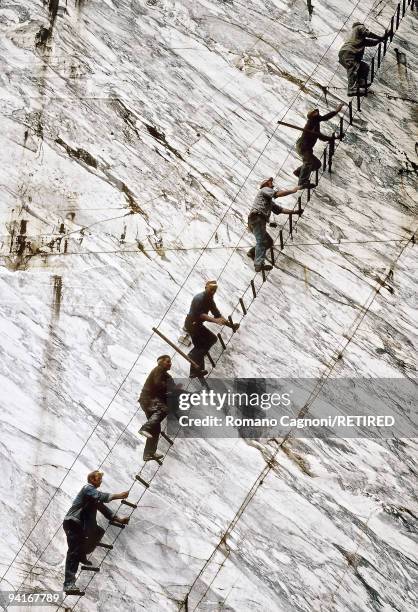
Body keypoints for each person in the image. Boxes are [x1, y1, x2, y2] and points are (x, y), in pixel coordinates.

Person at [63, 471, 129, 594]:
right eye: (99, 479)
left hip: (81, 526)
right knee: (73, 552)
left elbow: (105, 510)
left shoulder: (94, 497)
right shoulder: (88, 488)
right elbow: (101, 496)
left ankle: (82, 553)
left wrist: (119, 519)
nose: (101, 481)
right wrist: (119, 496)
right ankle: (69, 584)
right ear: (92, 480)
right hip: (73, 523)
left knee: (98, 531)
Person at [184, 281, 237, 377]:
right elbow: (201, 315)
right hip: (191, 323)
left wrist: (231, 325)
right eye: (211, 289)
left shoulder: (210, 300)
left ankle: (195, 371)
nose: (213, 292)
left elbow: (217, 315)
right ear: (205, 287)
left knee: (200, 348)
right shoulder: (199, 298)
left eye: (214, 290)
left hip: (197, 324)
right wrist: (214, 320)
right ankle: (192, 355)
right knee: (211, 339)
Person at [247, 178, 300, 272]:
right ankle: (258, 264)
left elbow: (280, 210)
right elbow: (278, 194)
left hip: (257, 220)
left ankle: (252, 253)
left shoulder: (269, 202)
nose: (272, 185)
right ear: (266, 184)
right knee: (262, 241)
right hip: (257, 218)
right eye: (270, 182)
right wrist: (292, 190)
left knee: (268, 242)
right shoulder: (264, 190)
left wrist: (294, 212)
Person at [138, 355, 180, 461]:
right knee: (163, 409)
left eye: (170, 362)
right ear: (160, 362)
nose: (170, 363)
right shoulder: (158, 369)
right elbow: (158, 385)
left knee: (156, 429)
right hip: (148, 399)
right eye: (167, 361)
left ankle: (148, 453)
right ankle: (145, 428)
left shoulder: (167, 376)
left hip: (151, 401)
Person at [293, 104, 344, 189]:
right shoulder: (311, 122)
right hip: (303, 147)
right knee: (309, 162)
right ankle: (302, 182)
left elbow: (321, 133)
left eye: (317, 111)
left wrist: (336, 111)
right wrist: (333, 138)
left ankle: (299, 172)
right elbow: (321, 135)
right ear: (311, 115)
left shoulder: (316, 123)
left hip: (307, 148)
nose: (317, 113)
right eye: (314, 112)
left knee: (317, 164)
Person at [338, 22, 387, 96]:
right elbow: (367, 33)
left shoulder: (360, 39)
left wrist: (382, 38)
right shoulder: (358, 27)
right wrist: (380, 37)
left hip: (346, 54)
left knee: (364, 67)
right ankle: (351, 89)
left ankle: (360, 82)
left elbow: (373, 42)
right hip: (348, 52)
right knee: (353, 68)